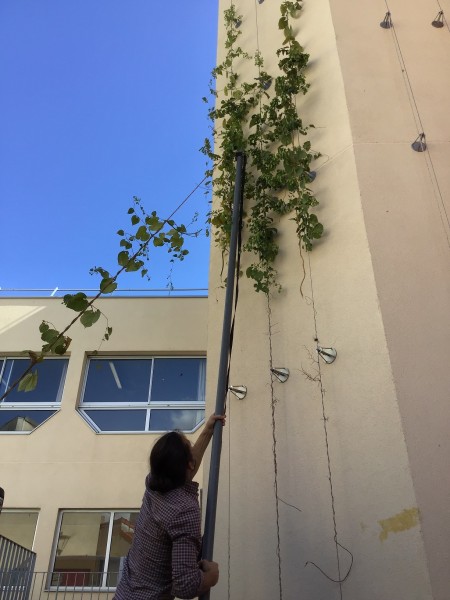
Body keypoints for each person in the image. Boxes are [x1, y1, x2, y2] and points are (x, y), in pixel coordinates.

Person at [114, 414, 224, 600]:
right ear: (188, 464)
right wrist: (211, 577)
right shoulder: (184, 511)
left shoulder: (153, 484)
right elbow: (185, 586)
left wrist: (207, 431)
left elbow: (185, 469)